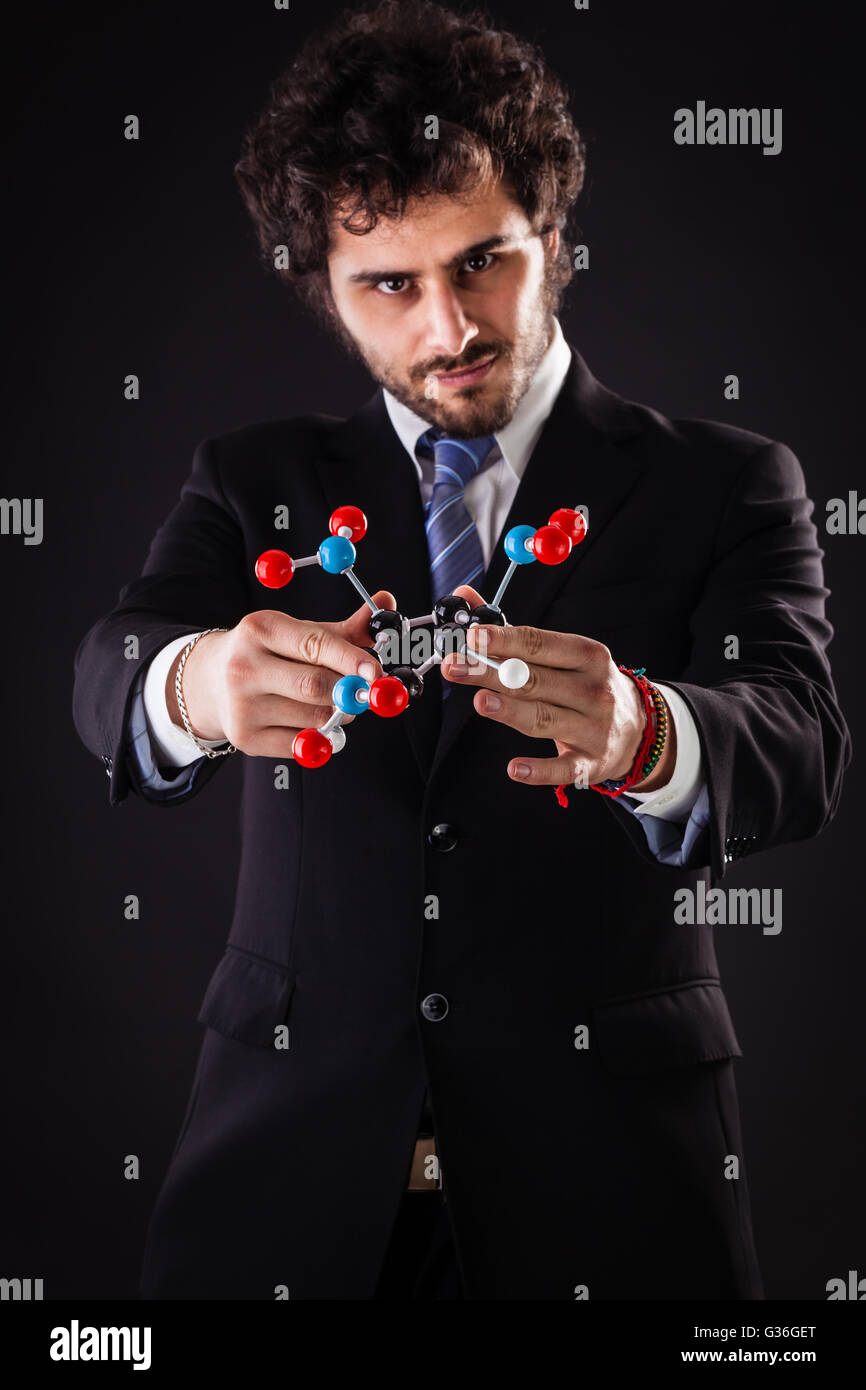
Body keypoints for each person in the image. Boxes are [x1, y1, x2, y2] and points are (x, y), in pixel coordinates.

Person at [72, 0, 850, 1300]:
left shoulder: (726, 480)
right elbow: (110, 671)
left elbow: (800, 741)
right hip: (277, 1192)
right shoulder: (247, 476)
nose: (448, 330)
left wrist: (642, 732)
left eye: (484, 261)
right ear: (318, 283)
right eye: (389, 283)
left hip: (615, 1190)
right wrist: (197, 684)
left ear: (552, 233)